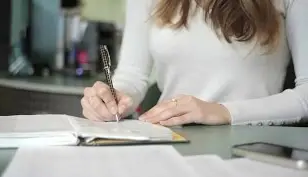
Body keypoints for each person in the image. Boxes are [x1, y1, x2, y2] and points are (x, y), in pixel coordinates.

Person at [81, 0, 308, 126]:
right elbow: (132, 75)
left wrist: (223, 112)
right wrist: (115, 99)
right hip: (166, 146)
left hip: (250, 154)